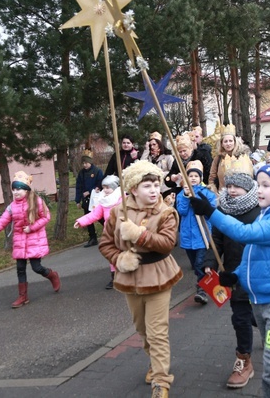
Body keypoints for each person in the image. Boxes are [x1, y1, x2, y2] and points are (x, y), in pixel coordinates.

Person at [188, 163, 270, 398]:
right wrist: (236, 275)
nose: (260, 190)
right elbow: (252, 253)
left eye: (266, 185)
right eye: (259, 184)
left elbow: (245, 234)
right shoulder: (265, 214)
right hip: (259, 300)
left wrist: (212, 212)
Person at [98, 160, 183, 398]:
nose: (154, 190)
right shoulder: (118, 212)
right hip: (130, 277)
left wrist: (139, 234)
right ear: (134, 189)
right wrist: (119, 258)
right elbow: (105, 243)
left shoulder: (166, 212)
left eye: (156, 184)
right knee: (142, 329)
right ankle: (154, 363)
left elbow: (167, 244)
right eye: (147, 185)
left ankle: (161, 381)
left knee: (157, 331)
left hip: (158, 275)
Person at [202, 165, 260, 389]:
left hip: (257, 273)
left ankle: (263, 326)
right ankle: (244, 360)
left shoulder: (259, 211)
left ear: (248, 189)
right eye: (229, 186)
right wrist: (209, 263)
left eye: (238, 186)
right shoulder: (222, 211)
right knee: (239, 318)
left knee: (258, 313)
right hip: (233, 276)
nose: (232, 190)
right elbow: (216, 241)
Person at [0, 171, 60, 308]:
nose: (15, 192)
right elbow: (2, 221)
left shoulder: (36, 201)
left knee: (36, 267)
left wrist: (32, 228)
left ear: (26, 190)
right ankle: (23, 297)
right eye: (13, 189)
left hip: (34, 240)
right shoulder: (12, 207)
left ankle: (52, 275)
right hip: (20, 241)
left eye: (18, 189)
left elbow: (46, 217)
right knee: (20, 268)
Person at [176, 160, 218, 305]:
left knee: (200, 263)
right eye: (190, 176)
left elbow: (209, 212)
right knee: (195, 265)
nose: (193, 178)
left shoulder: (207, 193)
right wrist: (187, 197)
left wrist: (198, 201)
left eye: (196, 176)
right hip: (187, 236)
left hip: (202, 236)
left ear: (201, 178)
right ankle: (207, 280)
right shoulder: (181, 194)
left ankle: (202, 289)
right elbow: (181, 211)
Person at [75, 175, 123, 289]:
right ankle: (115, 277)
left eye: (108, 187)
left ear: (115, 187)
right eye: (104, 187)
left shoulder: (123, 199)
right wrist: (81, 221)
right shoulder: (103, 202)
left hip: (123, 232)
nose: (105, 190)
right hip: (109, 233)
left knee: (125, 253)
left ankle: (130, 274)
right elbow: (94, 214)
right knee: (111, 255)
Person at [208, 124, 253, 192]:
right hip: (222, 194)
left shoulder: (242, 156)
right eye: (225, 141)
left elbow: (250, 174)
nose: (228, 144)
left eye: (230, 141)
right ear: (222, 144)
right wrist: (213, 190)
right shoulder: (218, 159)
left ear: (235, 142)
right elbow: (212, 177)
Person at [75, 150, 104, 247]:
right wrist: (77, 200)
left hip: (96, 199)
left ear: (90, 162)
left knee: (100, 218)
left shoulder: (97, 171)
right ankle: (92, 238)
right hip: (86, 201)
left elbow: (101, 183)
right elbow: (78, 186)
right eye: (83, 163)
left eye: (86, 163)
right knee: (88, 219)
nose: (84, 165)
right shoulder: (81, 173)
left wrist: (91, 190)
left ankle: (111, 231)